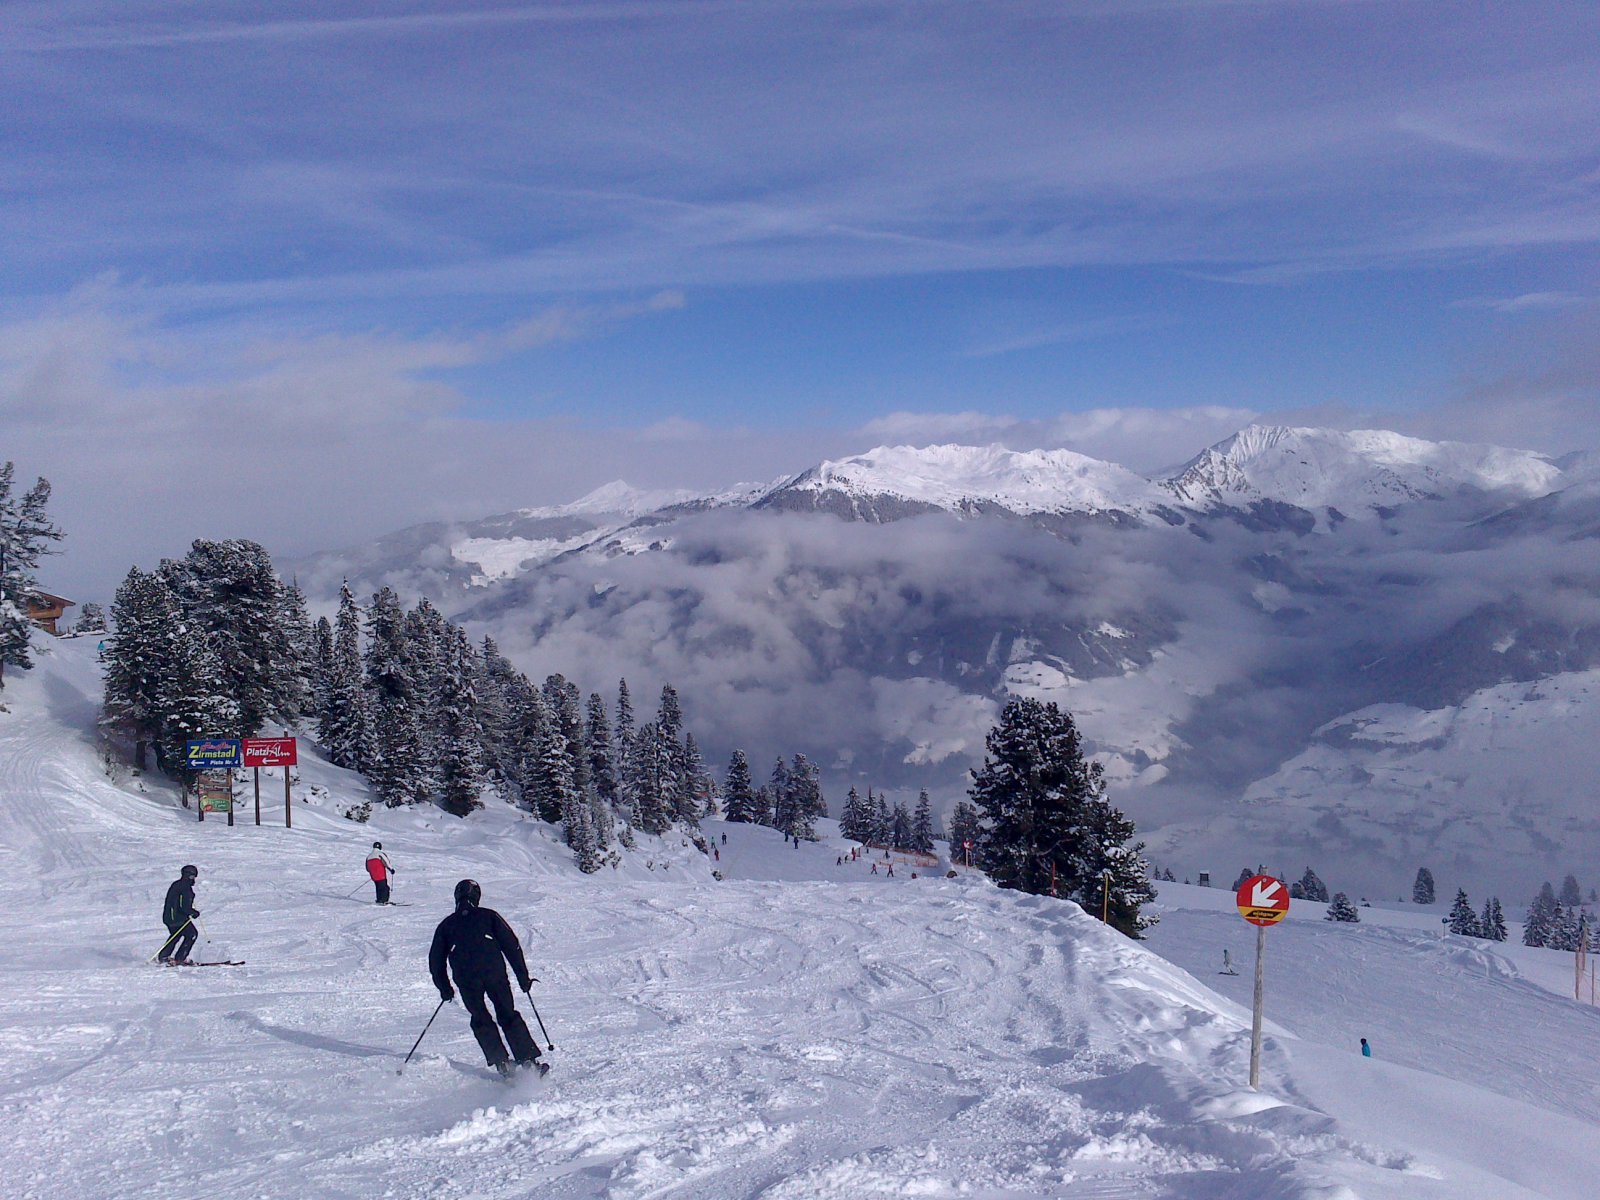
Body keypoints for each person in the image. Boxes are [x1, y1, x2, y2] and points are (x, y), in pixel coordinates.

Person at [429, 879, 545, 1078]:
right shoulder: (489, 916)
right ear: (477, 897)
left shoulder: (447, 924)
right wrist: (522, 977)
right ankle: (528, 1062)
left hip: (466, 979)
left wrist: (444, 987)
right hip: (494, 973)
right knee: (507, 1013)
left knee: (480, 1017)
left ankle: (502, 1064)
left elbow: (435, 959)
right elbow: (511, 946)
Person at [159, 865, 201, 964]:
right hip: (178, 918)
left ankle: (164, 957)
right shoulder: (185, 887)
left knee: (175, 935)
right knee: (191, 934)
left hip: (170, 917)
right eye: (192, 876)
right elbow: (184, 906)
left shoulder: (177, 884)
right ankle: (179, 958)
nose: (193, 879)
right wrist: (193, 912)